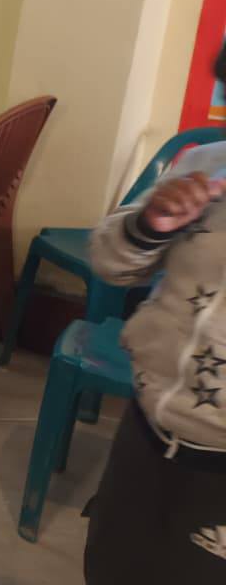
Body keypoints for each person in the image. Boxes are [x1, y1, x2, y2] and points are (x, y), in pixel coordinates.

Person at [82, 145, 226, 583]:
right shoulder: (205, 163)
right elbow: (109, 264)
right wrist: (148, 227)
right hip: (146, 428)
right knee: (110, 564)